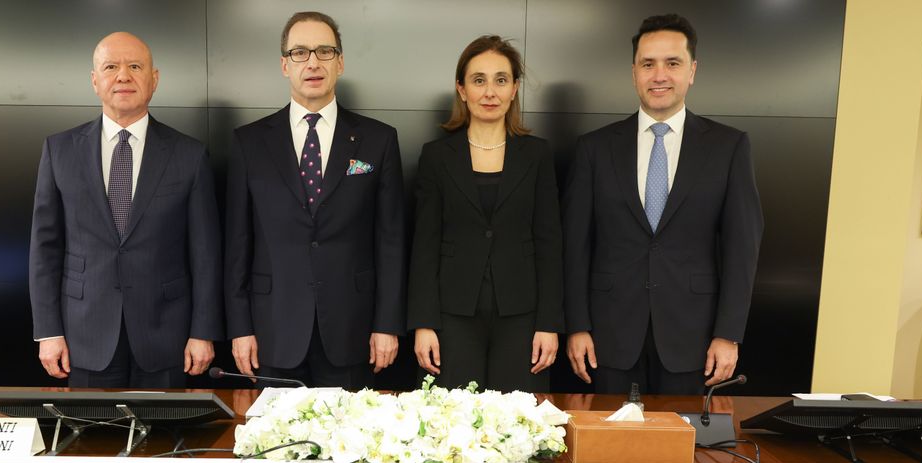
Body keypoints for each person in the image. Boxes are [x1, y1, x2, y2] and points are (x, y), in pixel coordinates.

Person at [563, 13, 763, 395]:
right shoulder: (594, 148)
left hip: (695, 339)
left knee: (683, 435)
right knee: (609, 434)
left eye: (672, 63)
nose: (659, 75)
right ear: (633, 72)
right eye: (648, 64)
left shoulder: (729, 146)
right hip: (608, 337)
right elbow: (575, 246)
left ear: (692, 70)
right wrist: (577, 326)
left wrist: (728, 334)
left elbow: (742, 247)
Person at [28, 32, 222, 388]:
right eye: (111, 67)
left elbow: (205, 252)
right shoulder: (60, 151)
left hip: (167, 336)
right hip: (83, 335)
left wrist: (203, 331)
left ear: (154, 79)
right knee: (89, 426)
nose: (123, 76)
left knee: (165, 425)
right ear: (94, 80)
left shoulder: (189, 154)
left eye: (135, 66)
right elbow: (45, 249)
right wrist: (48, 332)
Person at [224, 11, 406, 389]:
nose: (313, 62)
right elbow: (237, 244)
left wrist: (387, 324)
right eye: (300, 52)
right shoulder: (249, 142)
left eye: (324, 51)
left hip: (353, 330)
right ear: (284, 65)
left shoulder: (379, 140)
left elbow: (391, 241)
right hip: (273, 330)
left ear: (340, 62)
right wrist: (240, 328)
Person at [407, 36, 562, 392]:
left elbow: (550, 244)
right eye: (479, 80)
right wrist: (423, 323)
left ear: (514, 89)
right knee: (453, 419)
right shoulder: (436, 156)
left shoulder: (537, 155)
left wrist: (549, 324)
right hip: (452, 315)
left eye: (500, 80)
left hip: (522, 317)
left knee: (518, 419)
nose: (490, 91)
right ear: (462, 89)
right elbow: (425, 246)